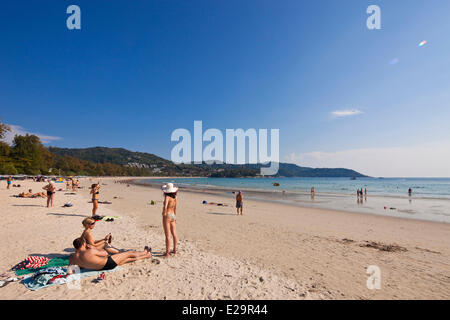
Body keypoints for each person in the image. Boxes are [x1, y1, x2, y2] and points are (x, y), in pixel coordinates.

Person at [68, 237, 151, 272]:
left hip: (100, 268)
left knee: (125, 260)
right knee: (128, 254)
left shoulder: (72, 259)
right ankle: (144, 252)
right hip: (108, 263)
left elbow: (71, 271)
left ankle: (147, 256)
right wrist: (94, 248)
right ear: (83, 244)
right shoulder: (89, 251)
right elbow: (105, 253)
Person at [162, 183, 179, 257]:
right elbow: (175, 208)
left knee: (167, 235)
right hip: (173, 215)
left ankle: (167, 253)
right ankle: (175, 249)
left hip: (168, 215)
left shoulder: (167, 197)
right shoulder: (175, 197)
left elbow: (165, 207)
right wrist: (175, 217)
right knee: (174, 233)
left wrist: (163, 213)